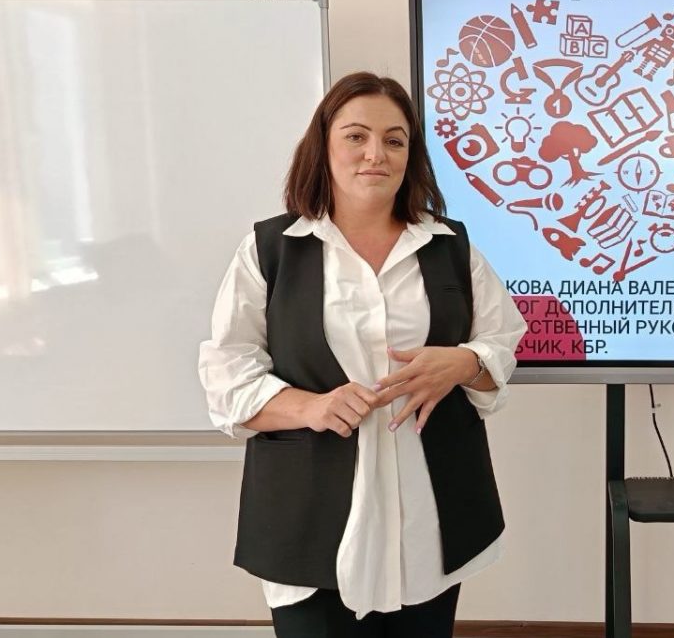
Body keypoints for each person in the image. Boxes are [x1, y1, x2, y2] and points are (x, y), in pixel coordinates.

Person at [198, 72, 527, 637]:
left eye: (394, 140)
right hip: (307, 521)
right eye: (356, 136)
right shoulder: (269, 250)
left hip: (431, 519)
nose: (376, 153)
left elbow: (501, 341)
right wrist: (309, 407)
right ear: (323, 146)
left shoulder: (451, 247)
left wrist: (464, 363)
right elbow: (226, 375)